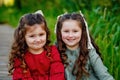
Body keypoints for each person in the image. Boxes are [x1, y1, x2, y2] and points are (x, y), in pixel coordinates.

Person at [55, 11, 114, 80]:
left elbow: (104, 76)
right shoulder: (55, 51)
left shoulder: (89, 51)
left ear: (82, 32)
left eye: (75, 31)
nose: (70, 35)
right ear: (60, 32)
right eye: (66, 31)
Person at [8, 10, 65, 80]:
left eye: (41, 34)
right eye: (32, 36)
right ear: (23, 37)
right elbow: (21, 77)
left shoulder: (52, 51)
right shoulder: (20, 55)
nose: (38, 40)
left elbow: (57, 72)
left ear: (46, 33)